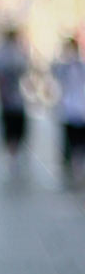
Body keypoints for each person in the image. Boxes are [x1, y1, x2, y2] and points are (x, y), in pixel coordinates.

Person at [0, 28, 29, 177]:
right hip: (11, 100)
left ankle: (12, 155)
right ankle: (12, 155)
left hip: (11, 100)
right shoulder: (13, 54)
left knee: (12, 130)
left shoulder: (4, 54)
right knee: (12, 130)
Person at [51, 36, 85, 188]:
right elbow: (54, 71)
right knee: (71, 141)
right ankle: (72, 165)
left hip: (79, 110)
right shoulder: (64, 66)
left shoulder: (80, 65)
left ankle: (77, 166)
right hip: (69, 110)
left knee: (79, 141)